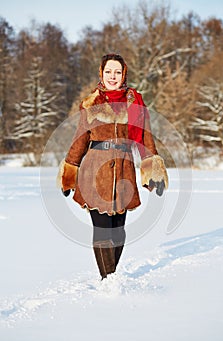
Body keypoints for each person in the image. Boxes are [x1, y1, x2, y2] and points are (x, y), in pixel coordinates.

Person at [57, 53, 168, 280]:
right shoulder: (90, 104)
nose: (113, 76)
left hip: (124, 170)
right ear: (101, 73)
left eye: (117, 72)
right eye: (108, 71)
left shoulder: (135, 102)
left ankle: (112, 275)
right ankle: (108, 280)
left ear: (124, 73)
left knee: (118, 229)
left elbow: (145, 138)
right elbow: (80, 140)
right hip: (94, 171)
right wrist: (69, 171)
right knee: (102, 229)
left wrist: (153, 168)